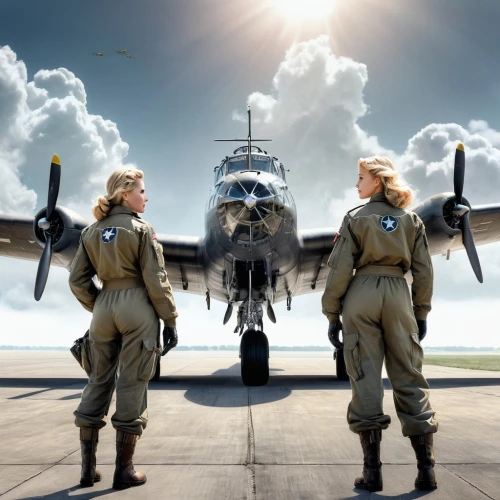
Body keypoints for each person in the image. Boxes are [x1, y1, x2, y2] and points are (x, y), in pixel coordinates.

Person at [322, 156, 438, 492]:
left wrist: (332, 313)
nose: (356, 184)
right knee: (410, 377)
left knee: (365, 381)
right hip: (399, 295)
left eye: (360, 178)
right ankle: (426, 471)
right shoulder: (411, 220)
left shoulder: (355, 219)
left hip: (362, 296)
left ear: (377, 182)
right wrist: (421, 312)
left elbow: (340, 271)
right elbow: (424, 272)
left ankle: (372, 473)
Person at [69, 168, 178, 490]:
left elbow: (76, 279)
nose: (146, 197)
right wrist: (170, 320)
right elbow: (156, 280)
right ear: (126, 193)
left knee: (98, 381)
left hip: (104, 306)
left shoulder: (91, 231)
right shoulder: (141, 229)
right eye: (142, 191)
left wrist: (100, 305)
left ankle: (87, 471)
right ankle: (124, 471)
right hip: (137, 308)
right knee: (132, 384)